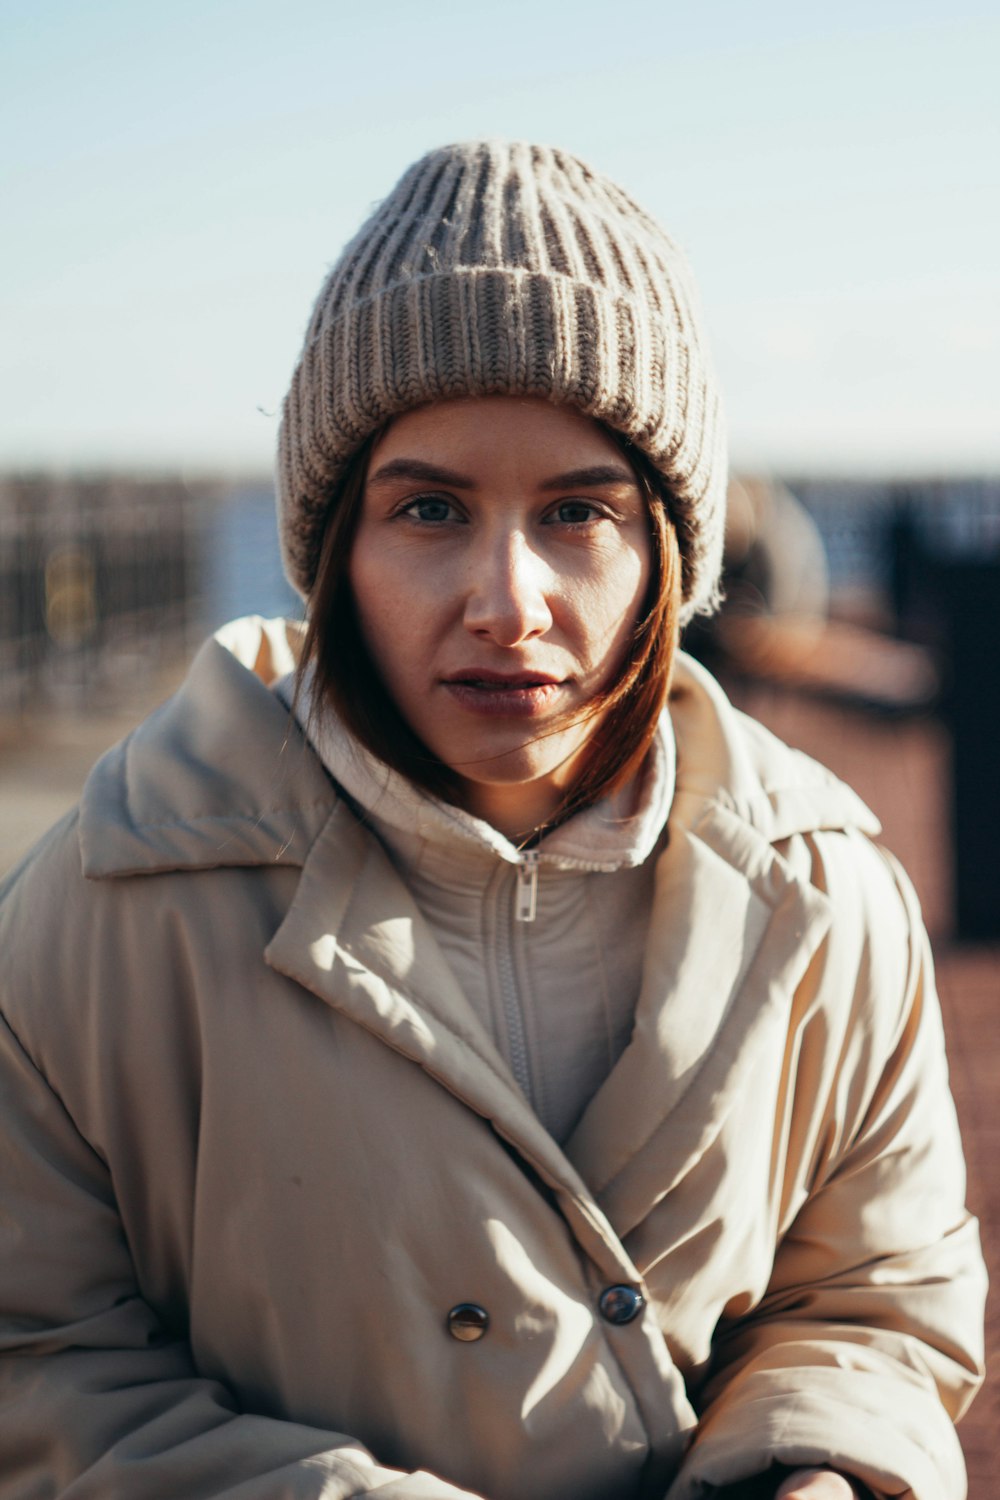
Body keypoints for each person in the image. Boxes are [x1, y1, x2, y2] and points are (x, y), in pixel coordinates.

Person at [0, 141, 986, 1500]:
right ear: (333, 545)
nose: (506, 600)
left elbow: (878, 1292)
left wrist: (818, 1470)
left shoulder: (824, 898)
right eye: (428, 510)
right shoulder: (103, 907)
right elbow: (36, 1363)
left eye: (579, 511)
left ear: (668, 556)